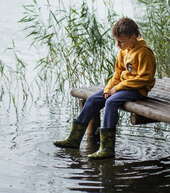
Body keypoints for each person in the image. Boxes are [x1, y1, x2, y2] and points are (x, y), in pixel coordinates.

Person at [53, 17, 156, 159]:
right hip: (122, 87)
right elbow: (118, 73)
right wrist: (109, 88)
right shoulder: (124, 50)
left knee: (111, 102)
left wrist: (118, 88)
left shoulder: (144, 52)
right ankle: (74, 139)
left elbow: (144, 79)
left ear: (133, 38)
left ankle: (107, 148)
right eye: (116, 41)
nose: (117, 45)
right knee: (92, 100)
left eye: (121, 41)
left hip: (138, 90)